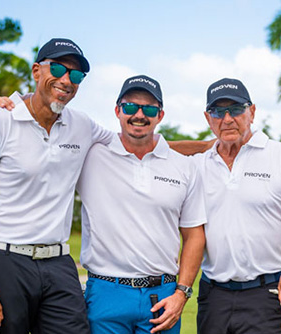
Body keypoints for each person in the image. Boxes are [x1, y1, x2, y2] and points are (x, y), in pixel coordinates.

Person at [0, 38, 113, 334]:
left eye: (76, 75)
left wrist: (211, 144)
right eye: (58, 68)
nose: (67, 80)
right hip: (6, 261)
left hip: (60, 262)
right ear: (36, 71)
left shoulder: (82, 125)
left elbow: (135, 144)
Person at [76, 75, 207, 334]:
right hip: (105, 293)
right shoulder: (90, 154)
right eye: (130, 107)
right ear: (117, 111)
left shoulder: (183, 166)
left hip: (163, 296)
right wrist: (12, 103)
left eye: (148, 109)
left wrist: (182, 293)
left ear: (160, 115)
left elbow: (194, 235)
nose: (139, 115)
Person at [193, 78, 281, 334]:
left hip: (267, 295)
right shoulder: (198, 165)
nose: (227, 118)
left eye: (236, 109)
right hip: (213, 296)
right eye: (218, 111)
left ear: (252, 112)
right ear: (208, 118)